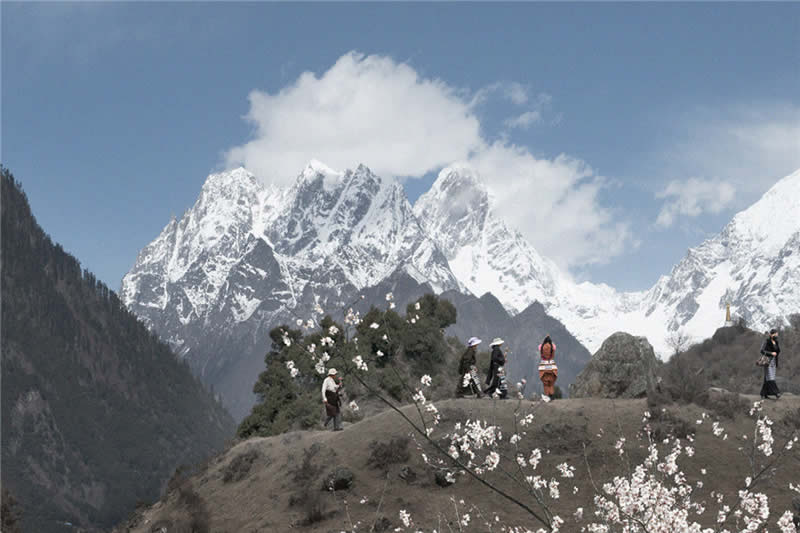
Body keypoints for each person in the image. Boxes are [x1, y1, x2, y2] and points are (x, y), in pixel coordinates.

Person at [760, 329, 781, 400]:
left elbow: (777, 351)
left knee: (767, 378)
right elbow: (762, 350)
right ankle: (776, 392)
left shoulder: (776, 342)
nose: (776, 335)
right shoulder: (767, 341)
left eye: (777, 334)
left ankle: (763, 393)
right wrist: (771, 353)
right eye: (775, 334)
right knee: (770, 377)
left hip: (774, 361)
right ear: (771, 334)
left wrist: (775, 354)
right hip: (768, 361)